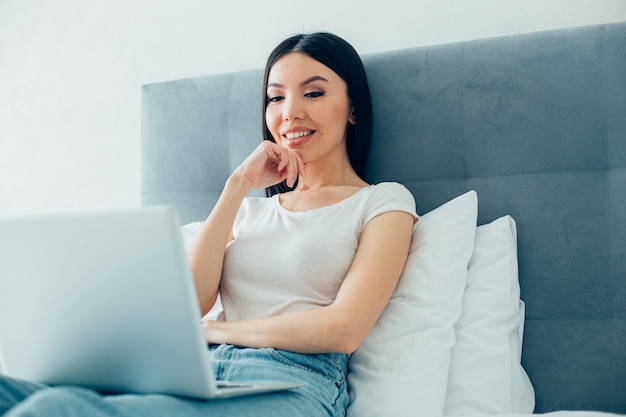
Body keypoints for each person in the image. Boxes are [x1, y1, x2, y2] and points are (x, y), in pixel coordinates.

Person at [0, 32, 417, 417]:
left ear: (354, 110)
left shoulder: (382, 201)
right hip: (201, 372)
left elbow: (343, 329)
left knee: (55, 408)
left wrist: (217, 331)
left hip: (292, 384)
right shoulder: (252, 211)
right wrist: (238, 186)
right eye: (275, 98)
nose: (290, 112)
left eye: (313, 92)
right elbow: (192, 302)